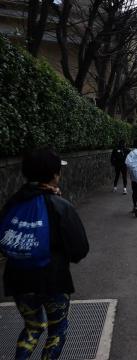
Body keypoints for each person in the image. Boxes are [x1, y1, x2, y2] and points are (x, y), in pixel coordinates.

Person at [0, 148, 89, 360]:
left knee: (33, 327)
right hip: (53, 279)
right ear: (54, 175)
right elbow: (80, 250)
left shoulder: (13, 202)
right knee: (57, 330)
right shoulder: (60, 205)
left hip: (17, 278)